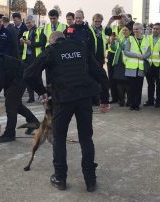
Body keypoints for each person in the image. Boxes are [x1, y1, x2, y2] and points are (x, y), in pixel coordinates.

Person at [23, 31, 110, 192]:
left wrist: (42, 92)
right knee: (86, 138)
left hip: (63, 100)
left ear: (52, 41)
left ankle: (60, 178)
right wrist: (105, 99)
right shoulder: (81, 46)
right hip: (84, 98)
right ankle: (90, 181)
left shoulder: (51, 50)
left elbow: (28, 74)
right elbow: (100, 72)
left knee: (59, 138)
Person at [105, 14, 134, 103]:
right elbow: (106, 33)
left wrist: (127, 20)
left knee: (122, 78)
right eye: (118, 18)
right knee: (112, 77)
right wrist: (109, 22)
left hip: (122, 54)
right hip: (112, 53)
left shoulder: (127, 28)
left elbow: (132, 25)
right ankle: (114, 97)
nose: (120, 20)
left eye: (122, 18)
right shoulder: (114, 27)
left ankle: (122, 97)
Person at [124, 23, 151, 110]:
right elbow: (126, 52)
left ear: (142, 30)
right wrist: (136, 55)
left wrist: (143, 56)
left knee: (139, 87)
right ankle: (132, 104)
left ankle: (137, 104)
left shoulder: (146, 40)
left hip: (141, 68)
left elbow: (148, 52)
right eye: (134, 29)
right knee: (131, 87)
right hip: (131, 68)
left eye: (137, 29)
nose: (136, 31)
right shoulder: (130, 39)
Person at [20, 15, 46, 104]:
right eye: (26, 23)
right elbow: (22, 46)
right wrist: (21, 43)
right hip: (26, 58)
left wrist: (31, 43)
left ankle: (42, 94)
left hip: (36, 58)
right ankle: (31, 97)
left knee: (37, 77)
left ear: (33, 22)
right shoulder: (25, 33)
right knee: (27, 77)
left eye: (29, 23)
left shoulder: (40, 31)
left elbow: (42, 43)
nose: (28, 25)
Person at [144, 22, 160, 107]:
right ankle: (150, 100)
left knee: (159, 85)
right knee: (150, 84)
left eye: (157, 29)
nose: (155, 30)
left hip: (159, 65)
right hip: (149, 64)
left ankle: (158, 102)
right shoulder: (148, 38)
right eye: (154, 28)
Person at [111, 26, 131, 106]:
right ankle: (121, 100)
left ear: (130, 31)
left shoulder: (131, 39)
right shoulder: (122, 39)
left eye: (126, 30)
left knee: (127, 83)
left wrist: (119, 41)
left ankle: (128, 100)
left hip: (126, 63)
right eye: (123, 30)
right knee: (119, 83)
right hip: (118, 63)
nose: (124, 32)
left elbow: (125, 49)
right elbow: (114, 48)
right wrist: (112, 41)